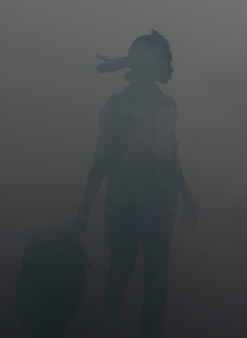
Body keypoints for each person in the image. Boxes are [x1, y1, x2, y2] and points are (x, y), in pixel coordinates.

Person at [70, 30, 199, 338]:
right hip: (125, 209)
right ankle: (107, 330)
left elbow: (172, 157)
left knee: (156, 284)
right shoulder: (117, 107)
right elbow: (101, 161)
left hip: (161, 209)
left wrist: (188, 196)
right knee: (119, 276)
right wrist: (83, 212)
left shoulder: (168, 107)